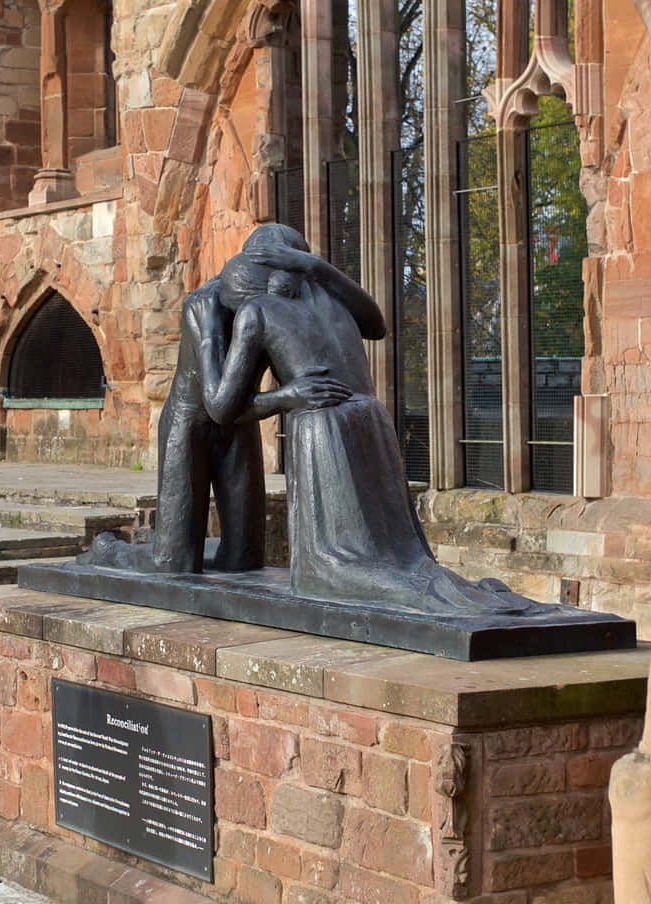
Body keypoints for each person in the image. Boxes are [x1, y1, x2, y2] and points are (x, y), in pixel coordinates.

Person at [206, 251, 547, 616]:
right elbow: (377, 325)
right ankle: (445, 592)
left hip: (324, 426)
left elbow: (222, 409)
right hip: (372, 420)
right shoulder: (334, 297)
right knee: (399, 557)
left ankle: (439, 597)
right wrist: (316, 266)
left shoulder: (256, 311)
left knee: (333, 568)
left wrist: (286, 395)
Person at [87, 224, 381, 573]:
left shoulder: (291, 290)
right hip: (193, 425)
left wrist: (313, 266)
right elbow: (216, 405)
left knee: (242, 560)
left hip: (242, 420)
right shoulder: (205, 306)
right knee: (173, 565)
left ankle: (187, 542)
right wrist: (290, 396)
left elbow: (374, 326)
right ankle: (111, 550)